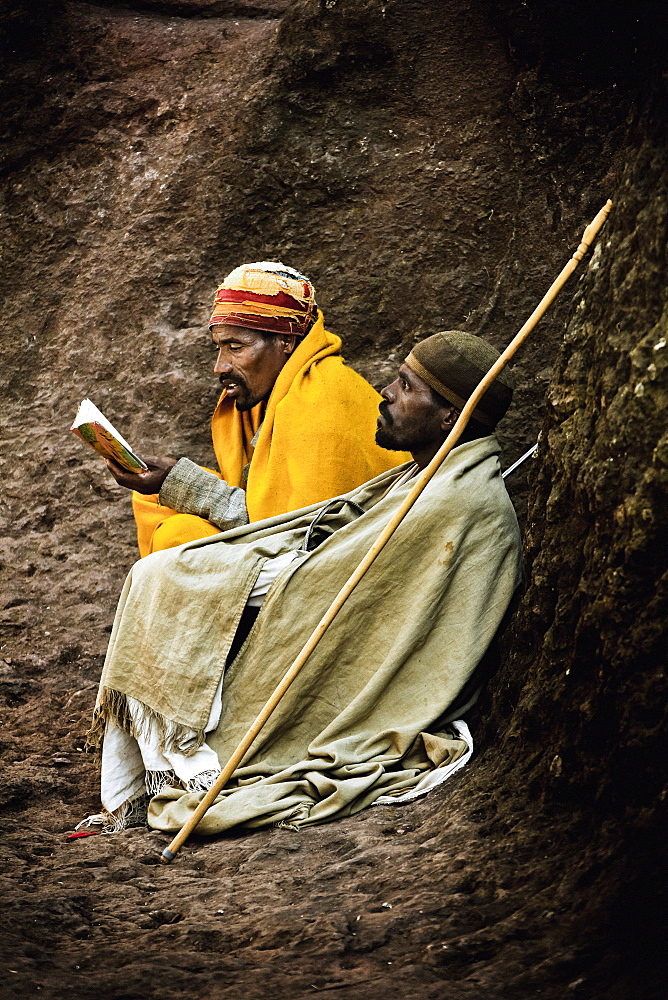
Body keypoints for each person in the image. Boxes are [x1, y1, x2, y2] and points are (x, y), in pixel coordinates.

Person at [79, 331, 521, 838]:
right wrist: (182, 485)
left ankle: (173, 771)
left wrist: (228, 567)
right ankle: (144, 782)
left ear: (450, 417)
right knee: (171, 566)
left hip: (329, 609)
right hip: (310, 573)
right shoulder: (421, 473)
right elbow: (317, 526)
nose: (387, 394)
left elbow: (357, 586)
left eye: (406, 386)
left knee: (168, 576)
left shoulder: (455, 501)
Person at [109, 262, 409, 557]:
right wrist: (171, 481)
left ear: (286, 341)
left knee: (180, 538)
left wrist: (180, 481)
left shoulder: (320, 401)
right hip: (289, 544)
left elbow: (302, 537)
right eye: (219, 348)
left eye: (235, 347)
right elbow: (267, 504)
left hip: (329, 566)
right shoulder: (274, 393)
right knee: (154, 501)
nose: (220, 366)